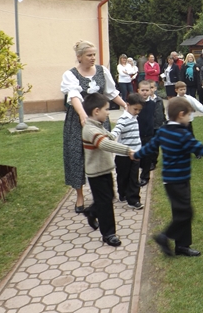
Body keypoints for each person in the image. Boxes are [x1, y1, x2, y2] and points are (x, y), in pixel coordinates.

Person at [134, 97, 203, 257]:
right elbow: (202, 150)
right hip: (179, 181)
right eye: (189, 115)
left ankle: (182, 246)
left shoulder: (163, 131)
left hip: (170, 181)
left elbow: (149, 147)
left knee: (180, 212)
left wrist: (136, 155)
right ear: (181, 114)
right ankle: (164, 237)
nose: (190, 118)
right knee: (186, 213)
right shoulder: (183, 134)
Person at [61, 40, 126, 214]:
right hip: (77, 120)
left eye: (94, 54)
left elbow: (111, 93)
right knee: (76, 155)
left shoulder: (102, 71)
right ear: (79, 57)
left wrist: (125, 105)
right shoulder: (70, 75)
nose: (93, 58)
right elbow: (74, 96)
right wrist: (83, 117)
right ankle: (79, 195)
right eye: (89, 55)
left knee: (101, 153)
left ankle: (102, 191)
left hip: (99, 119)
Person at [81, 93, 136, 247]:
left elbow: (109, 137)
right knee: (105, 204)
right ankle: (109, 234)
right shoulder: (90, 129)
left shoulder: (97, 125)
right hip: (96, 173)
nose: (108, 112)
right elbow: (104, 144)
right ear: (96, 111)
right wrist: (127, 150)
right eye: (106, 109)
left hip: (105, 170)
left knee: (108, 198)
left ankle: (92, 212)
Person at [110, 93, 146, 210]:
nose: (137, 112)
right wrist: (109, 137)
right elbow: (116, 130)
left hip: (135, 154)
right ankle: (122, 193)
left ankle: (134, 200)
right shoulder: (123, 119)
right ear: (128, 105)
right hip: (123, 155)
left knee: (134, 178)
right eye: (135, 109)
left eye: (139, 110)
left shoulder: (135, 117)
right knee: (123, 176)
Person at [136, 81, 156, 186]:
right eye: (142, 90)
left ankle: (145, 176)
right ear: (138, 91)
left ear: (150, 91)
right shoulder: (136, 104)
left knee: (147, 156)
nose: (144, 92)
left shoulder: (152, 104)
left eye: (147, 90)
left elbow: (155, 117)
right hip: (137, 133)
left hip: (149, 134)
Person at [149, 79, 166, 170]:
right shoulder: (145, 101)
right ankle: (151, 161)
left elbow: (162, 111)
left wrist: (164, 121)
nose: (150, 90)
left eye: (152, 87)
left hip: (159, 125)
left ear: (155, 88)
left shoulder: (159, 100)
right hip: (149, 126)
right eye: (148, 88)